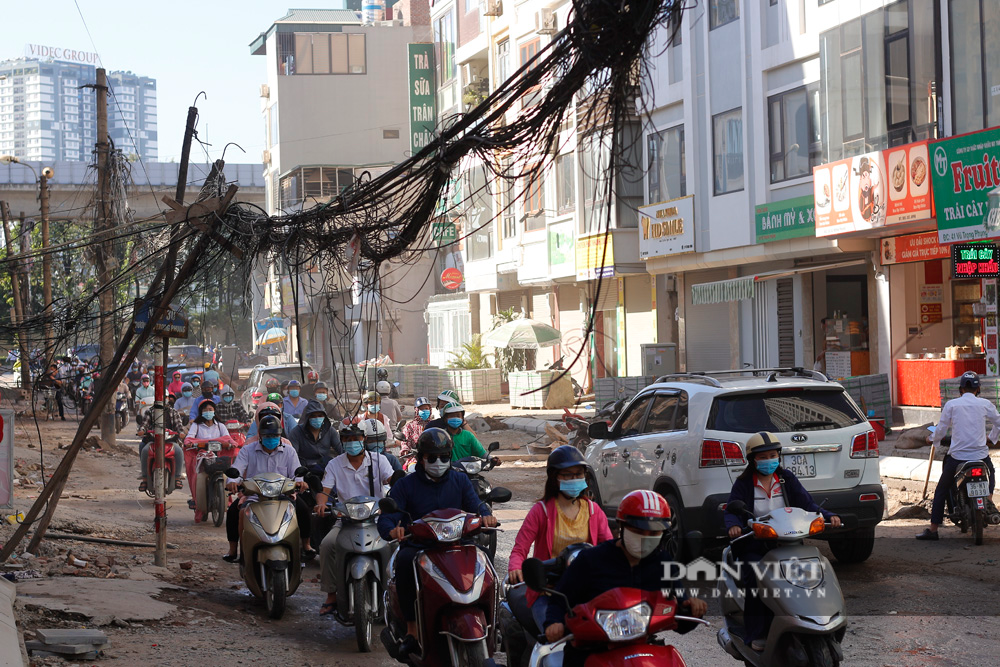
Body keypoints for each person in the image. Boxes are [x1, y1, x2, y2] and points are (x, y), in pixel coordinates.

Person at [538, 490, 708, 666]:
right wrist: (554, 623)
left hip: (641, 646)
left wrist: (693, 608)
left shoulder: (663, 563)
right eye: (638, 531)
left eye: (654, 533)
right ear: (621, 526)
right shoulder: (591, 560)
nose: (645, 538)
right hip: (591, 649)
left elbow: (680, 613)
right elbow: (559, 601)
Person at [377, 428, 497, 650]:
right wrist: (392, 530)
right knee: (404, 563)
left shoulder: (460, 481)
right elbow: (387, 517)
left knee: (486, 558)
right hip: (420, 546)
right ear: (421, 458)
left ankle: (493, 621)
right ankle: (412, 632)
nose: (438, 462)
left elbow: (475, 505)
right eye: (432, 458)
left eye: (443, 457)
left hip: (458, 544)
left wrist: (485, 515)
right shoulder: (405, 484)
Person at [724, 432, 840, 651]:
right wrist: (733, 525)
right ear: (753, 460)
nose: (769, 460)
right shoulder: (744, 484)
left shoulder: (787, 479)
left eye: (773, 455)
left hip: (789, 543)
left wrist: (827, 516)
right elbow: (732, 509)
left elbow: (807, 505)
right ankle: (756, 634)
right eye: (763, 456)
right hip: (755, 545)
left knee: (812, 576)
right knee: (756, 580)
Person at [507, 446, 612, 645]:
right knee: (556, 643)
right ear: (555, 478)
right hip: (548, 593)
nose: (574, 479)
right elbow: (520, 548)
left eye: (578, 474)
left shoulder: (593, 511)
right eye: (568, 475)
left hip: (586, 592)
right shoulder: (541, 511)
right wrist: (515, 568)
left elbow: (610, 548)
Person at [316, 424, 395, 616]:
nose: (353, 443)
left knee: (395, 545)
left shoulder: (379, 460)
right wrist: (321, 504)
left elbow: (392, 480)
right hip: (346, 521)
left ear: (364, 440)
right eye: (348, 440)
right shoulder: (334, 464)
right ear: (342, 442)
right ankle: (331, 594)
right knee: (327, 545)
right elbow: (324, 491)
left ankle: (395, 592)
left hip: (376, 520)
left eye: (357, 439)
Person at [917, 371, 1000, 540]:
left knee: (941, 490)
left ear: (961, 389)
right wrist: (991, 439)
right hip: (980, 456)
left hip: (958, 457)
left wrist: (931, 439)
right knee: (990, 476)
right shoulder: (985, 404)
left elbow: (941, 429)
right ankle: (988, 501)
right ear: (978, 389)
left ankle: (933, 530)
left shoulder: (952, 405)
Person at [223, 410, 309, 562]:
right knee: (235, 513)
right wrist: (232, 483)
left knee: (303, 510)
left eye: (275, 436)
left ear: (280, 435)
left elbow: (297, 472)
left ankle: (304, 548)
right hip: (255, 496)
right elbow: (237, 469)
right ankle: (238, 552)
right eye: (268, 436)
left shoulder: (289, 451)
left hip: (283, 496)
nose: (272, 439)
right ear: (260, 435)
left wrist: (300, 481)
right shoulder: (248, 450)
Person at [183, 397, 235, 522]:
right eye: (205, 410)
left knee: (228, 475)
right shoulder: (196, 425)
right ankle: (198, 502)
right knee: (197, 477)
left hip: (218, 456)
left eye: (210, 409)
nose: (208, 411)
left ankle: (227, 501)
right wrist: (190, 443)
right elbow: (189, 438)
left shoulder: (220, 426)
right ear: (201, 412)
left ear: (214, 411)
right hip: (202, 456)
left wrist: (231, 443)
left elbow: (228, 438)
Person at [288, 400, 343, 474]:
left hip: (326, 469)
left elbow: (340, 450)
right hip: (305, 470)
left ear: (324, 417)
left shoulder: (330, 431)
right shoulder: (296, 432)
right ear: (307, 417)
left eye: (320, 416)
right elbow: (292, 456)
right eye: (313, 416)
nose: (317, 418)